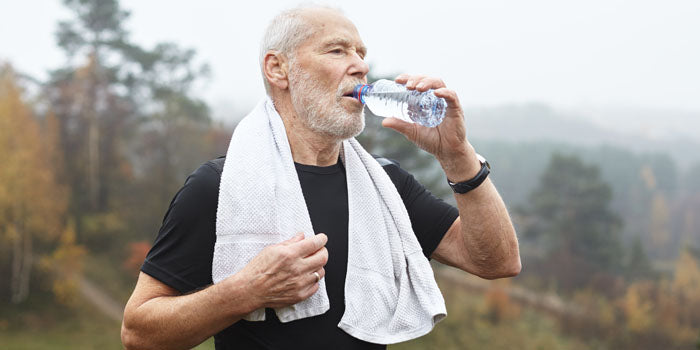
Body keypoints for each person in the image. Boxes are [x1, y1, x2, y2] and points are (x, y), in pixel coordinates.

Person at [121, 5, 520, 350]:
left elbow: (496, 260)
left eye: (362, 53)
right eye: (337, 50)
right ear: (279, 69)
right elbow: (139, 333)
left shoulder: (385, 185)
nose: (361, 65)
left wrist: (458, 156)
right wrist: (245, 291)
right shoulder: (220, 187)